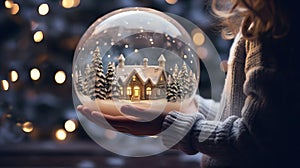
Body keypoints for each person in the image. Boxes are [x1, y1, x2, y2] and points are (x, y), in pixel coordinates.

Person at [77, 0, 299, 167]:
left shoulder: (276, 31)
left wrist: (181, 127)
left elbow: (259, 142)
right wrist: (188, 106)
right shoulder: (266, 22)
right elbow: (253, 120)